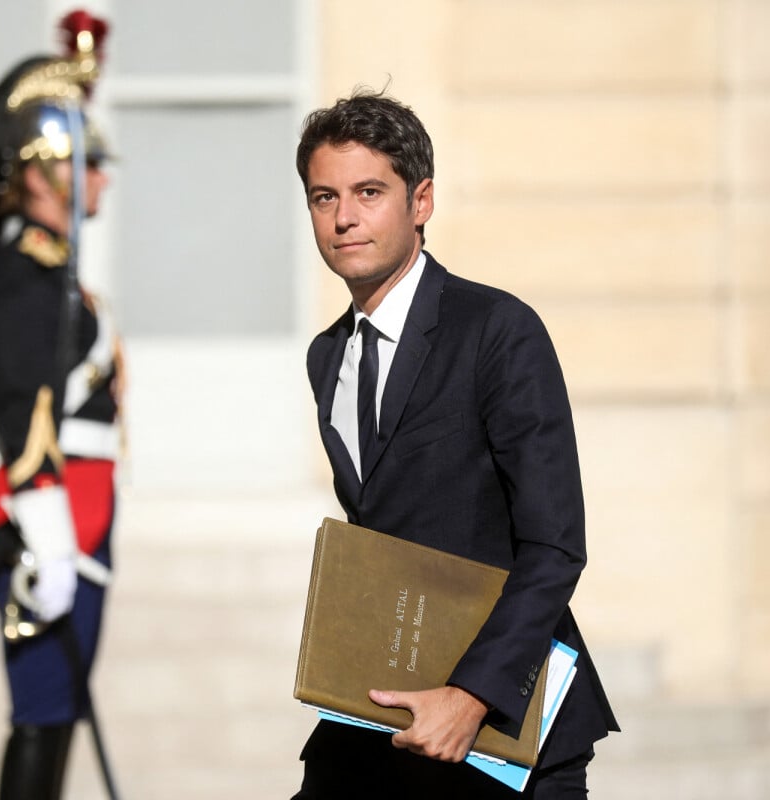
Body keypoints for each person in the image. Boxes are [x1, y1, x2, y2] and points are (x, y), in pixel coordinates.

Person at [293, 89, 619, 798]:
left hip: (505, 732)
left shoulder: (498, 331)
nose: (344, 217)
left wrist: (471, 697)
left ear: (422, 201)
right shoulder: (327, 357)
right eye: (324, 197)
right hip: (385, 717)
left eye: (369, 192)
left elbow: (556, 543)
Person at [0, 11, 122, 800]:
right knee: (43, 709)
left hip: (77, 515)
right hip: (51, 522)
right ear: (46, 173)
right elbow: (18, 404)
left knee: (57, 710)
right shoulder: (23, 274)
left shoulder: (48, 270)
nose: (105, 176)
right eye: (93, 160)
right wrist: (44, 529)